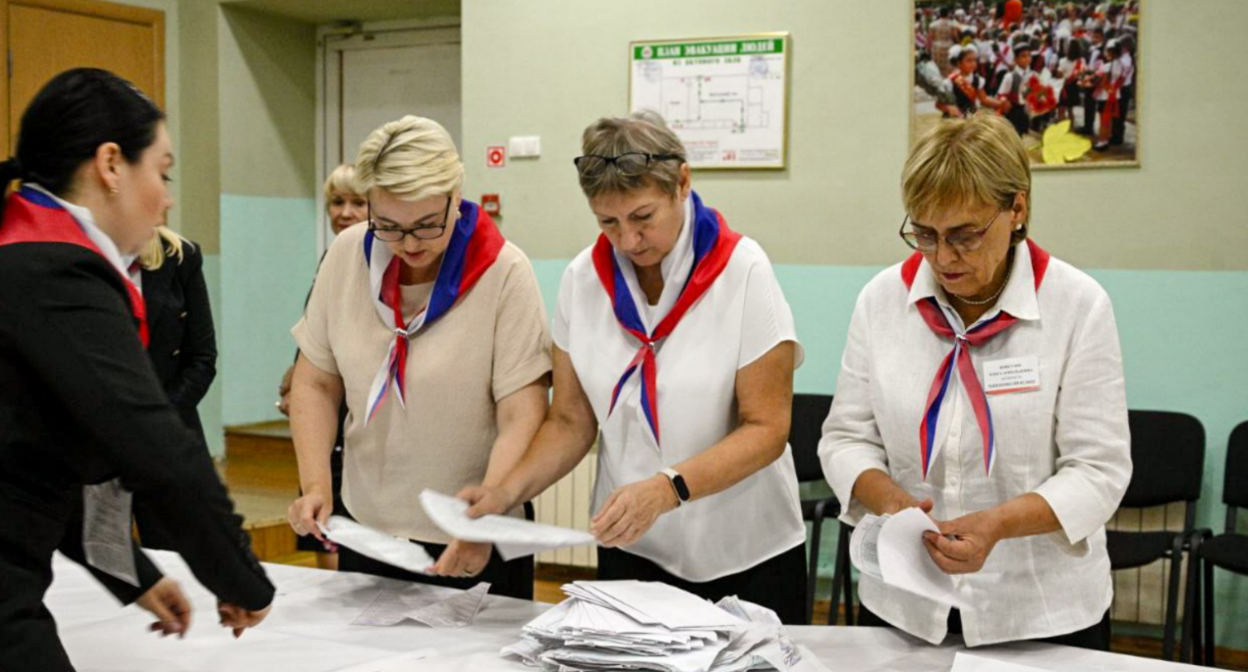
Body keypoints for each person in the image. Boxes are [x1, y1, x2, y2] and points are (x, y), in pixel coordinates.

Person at [457, 112, 809, 624]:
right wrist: (505, 493)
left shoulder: (742, 270)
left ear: (682, 183)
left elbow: (767, 427)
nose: (628, 241)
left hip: (744, 546)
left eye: (643, 216)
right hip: (632, 542)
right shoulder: (583, 280)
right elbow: (571, 421)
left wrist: (669, 488)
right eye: (608, 222)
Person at [819, 112, 1131, 649]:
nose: (942, 257)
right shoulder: (881, 302)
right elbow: (846, 438)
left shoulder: (1077, 306)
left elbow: (1098, 469)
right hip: (905, 604)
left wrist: (998, 524)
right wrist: (891, 500)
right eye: (925, 233)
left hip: (1039, 608)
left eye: (964, 236)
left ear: (1017, 210)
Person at [0, 68, 273, 672]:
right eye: (164, 171)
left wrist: (135, 575)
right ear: (111, 164)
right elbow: (157, 453)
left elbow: (47, 463)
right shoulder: (55, 272)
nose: (168, 196)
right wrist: (244, 580)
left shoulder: (23, 250)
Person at [286, 116, 551, 598]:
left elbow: (523, 414)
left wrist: (482, 523)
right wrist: (316, 486)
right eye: (388, 225)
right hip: (368, 526)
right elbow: (316, 383)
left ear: (456, 195)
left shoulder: (505, 272)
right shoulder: (347, 255)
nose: (409, 244)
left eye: (428, 225)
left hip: (471, 534)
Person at [277, 164, 367, 570]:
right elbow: (318, 337)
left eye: (357, 202)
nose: (345, 212)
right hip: (327, 420)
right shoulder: (332, 259)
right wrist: (297, 379)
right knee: (323, 528)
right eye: (336, 202)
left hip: (357, 415)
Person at [130, 226, 218, 550]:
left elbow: (202, 359)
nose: (166, 198)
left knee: (179, 558)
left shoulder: (181, 255)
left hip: (168, 430)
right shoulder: (73, 252)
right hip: (96, 438)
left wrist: (157, 422)